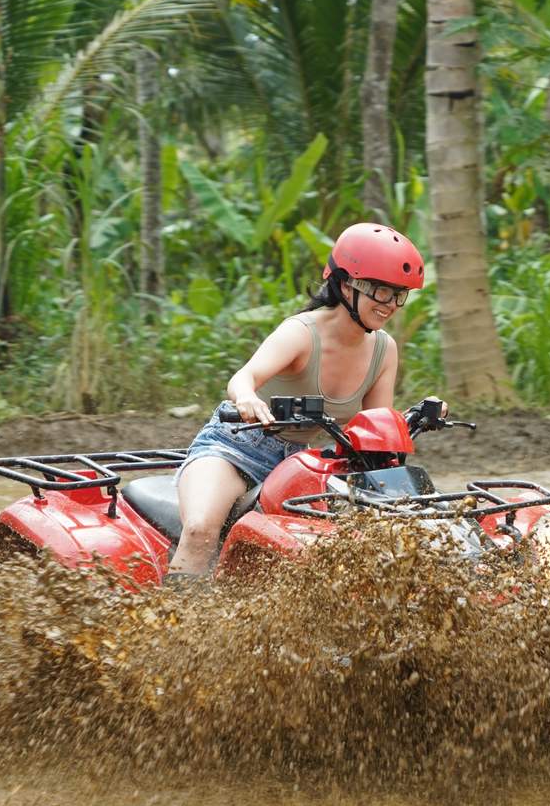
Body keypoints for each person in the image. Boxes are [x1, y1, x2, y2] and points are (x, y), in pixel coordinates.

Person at [167, 222, 426, 579]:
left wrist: (413, 421)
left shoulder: (384, 349)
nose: (392, 305)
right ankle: (175, 626)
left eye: (399, 294)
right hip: (236, 447)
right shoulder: (301, 333)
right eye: (381, 291)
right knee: (200, 529)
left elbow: (373, 425)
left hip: (302, 464)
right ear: (346, 283)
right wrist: (246, 399)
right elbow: (243, 378)